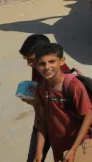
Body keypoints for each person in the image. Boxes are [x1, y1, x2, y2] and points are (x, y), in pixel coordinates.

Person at [32, 43, 92, 162]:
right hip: (58, 146)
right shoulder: (42, 88)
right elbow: (43, 121)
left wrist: (73, 149)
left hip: (78, 145)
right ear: (36, 65)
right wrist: (39, 152)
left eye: (52, 61)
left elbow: (88, 116)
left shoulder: (74, 86)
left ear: (61, 61)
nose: (47, 67)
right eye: (42, 63)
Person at [19, 34, 70, 162]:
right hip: (43, 121)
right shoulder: (38, 67)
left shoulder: (63, 77)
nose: (28, 64)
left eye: (31, 59)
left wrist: (35, 103)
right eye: (26, 60)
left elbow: (59, 106)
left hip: (60, 125)